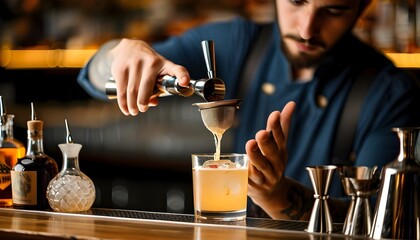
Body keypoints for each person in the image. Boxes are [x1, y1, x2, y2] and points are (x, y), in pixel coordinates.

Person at [77, 0, 420, 221]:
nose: (306, 28)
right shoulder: (241, 42)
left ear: (362, 8)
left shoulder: (390, 94)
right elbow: (92, 77)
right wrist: (122, 53)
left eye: (333, 10)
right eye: (297, 1)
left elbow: (378, 220)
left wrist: (275, 194)